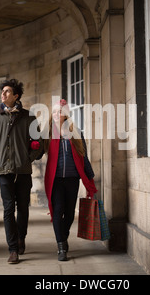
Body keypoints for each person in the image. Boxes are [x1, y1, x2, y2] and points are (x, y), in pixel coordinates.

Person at [0, 79, 43, 264]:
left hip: (23, 172)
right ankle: (12, 249)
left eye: (7, 91)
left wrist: (27, 158)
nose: (3, 94)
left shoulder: (29, 117)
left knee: (23, 209)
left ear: (16, 96)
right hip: (4, 172)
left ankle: (21, 237)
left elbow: (39, 145)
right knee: (8, 209)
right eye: (2, 91)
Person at [43, 99, 98, 261]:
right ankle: (61, 246)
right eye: (53, 111)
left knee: (69, 214)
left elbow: (83, 156)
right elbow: (38, 151)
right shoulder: (47, 133)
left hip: (73, 179)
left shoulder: (76, 132)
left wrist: (90, 179)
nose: (56, 114)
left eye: (59, 111)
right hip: (56, 179)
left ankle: (63, 235)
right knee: (58, 210)